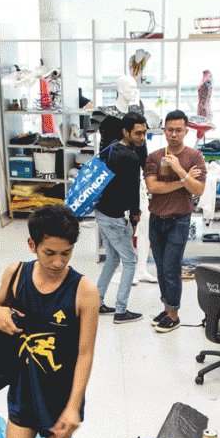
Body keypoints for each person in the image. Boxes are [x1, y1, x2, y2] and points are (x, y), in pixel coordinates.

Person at [0, 205, 99, 438]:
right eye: (49, 253)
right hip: (24, 389)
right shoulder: (15, 275)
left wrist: (73, 407)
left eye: (66, 253)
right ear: (32, 245)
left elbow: (85, 353)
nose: (58, 262)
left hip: (61, 396)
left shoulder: (85, 291)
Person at [143, 109, 207, 333]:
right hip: (156, 219)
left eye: (178, 130)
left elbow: (198, 189)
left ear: (186, 131)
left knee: (171, 267)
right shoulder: (154, 156)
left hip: (179, 220)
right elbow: (153, 187)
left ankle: (174, 315)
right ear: (164, 130)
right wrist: (184, 180)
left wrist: (179, 169)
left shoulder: (195, 157)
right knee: (161, 268)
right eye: (170, 130)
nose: (174, 134)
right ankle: (167, 308)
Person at [95, 112, 147, 323]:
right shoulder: (131, 157)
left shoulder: (111, 148)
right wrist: (134, 219)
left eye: (144, 133)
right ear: (126, 132)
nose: (142, 138)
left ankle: (97, 302)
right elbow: (133, 191)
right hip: (115, 217)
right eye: (138, 133)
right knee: (130, 261)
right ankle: (121, 310)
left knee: (112, 258)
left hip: (102, 212)